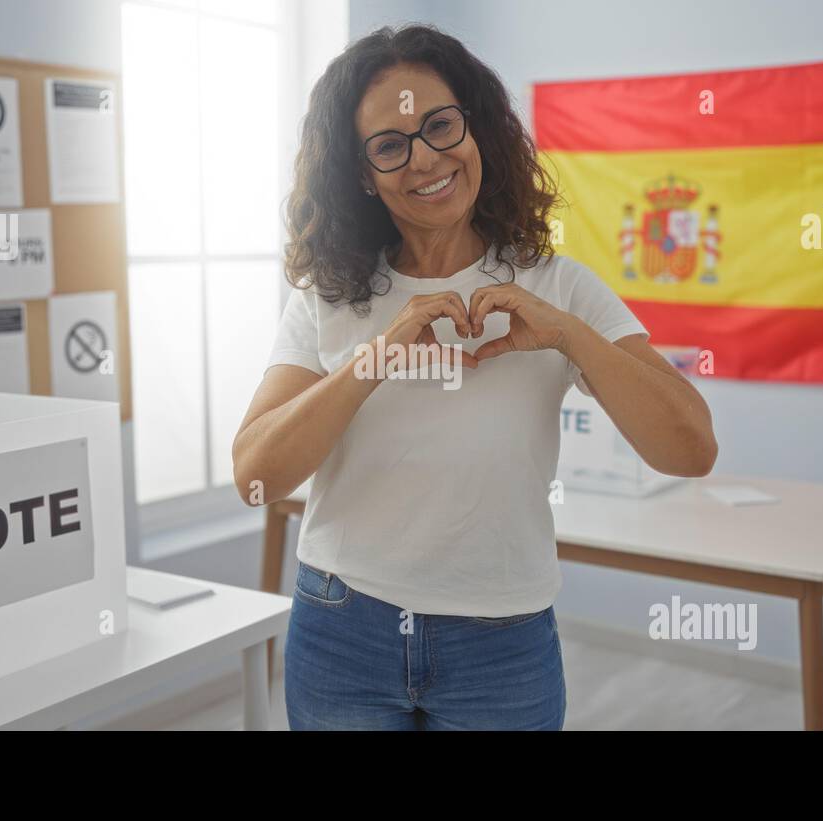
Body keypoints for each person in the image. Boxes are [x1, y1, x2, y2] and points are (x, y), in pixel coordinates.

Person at [233, 24, 717, 730]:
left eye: (440, 125)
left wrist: (567, 335)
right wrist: (374, 357)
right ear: (362, 173)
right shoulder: (331, 297)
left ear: (477, 128)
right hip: (343, 627)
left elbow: (691, 447)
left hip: (502, 640)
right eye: (391, 144)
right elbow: (256, 475)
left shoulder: (561, 286)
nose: (425, 157)